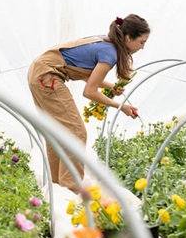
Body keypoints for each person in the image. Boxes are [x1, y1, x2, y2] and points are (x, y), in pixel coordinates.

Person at [27, 14, 150, 193]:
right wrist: (120, 107)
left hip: (39, 73)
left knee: (56, 132)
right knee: (76, 132)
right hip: (47, 76)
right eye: (141, 42)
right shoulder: (110, 52)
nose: (143, 47)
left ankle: (56, 189)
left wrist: (109, 86)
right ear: (129, 38)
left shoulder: (104, 42)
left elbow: (85, 73)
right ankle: (70, 189)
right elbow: (89, 92)